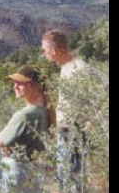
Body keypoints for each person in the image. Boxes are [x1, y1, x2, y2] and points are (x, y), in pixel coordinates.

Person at [42, 30, 108, 193]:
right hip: (66, 131)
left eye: (45, 50)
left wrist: (93, 119)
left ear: (55, 51)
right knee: (66, 177)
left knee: (72, 178)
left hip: (73, 132)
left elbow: (105, 88)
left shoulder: (80, 69)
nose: (44, 54)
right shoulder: (67, 68)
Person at [0, 65, 53, 193]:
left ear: (35, 86)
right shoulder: (45, 112)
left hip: (16, 174)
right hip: (33, 173)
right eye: (15, 83)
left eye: (20, 83)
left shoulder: (25, 115)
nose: (15, 86)